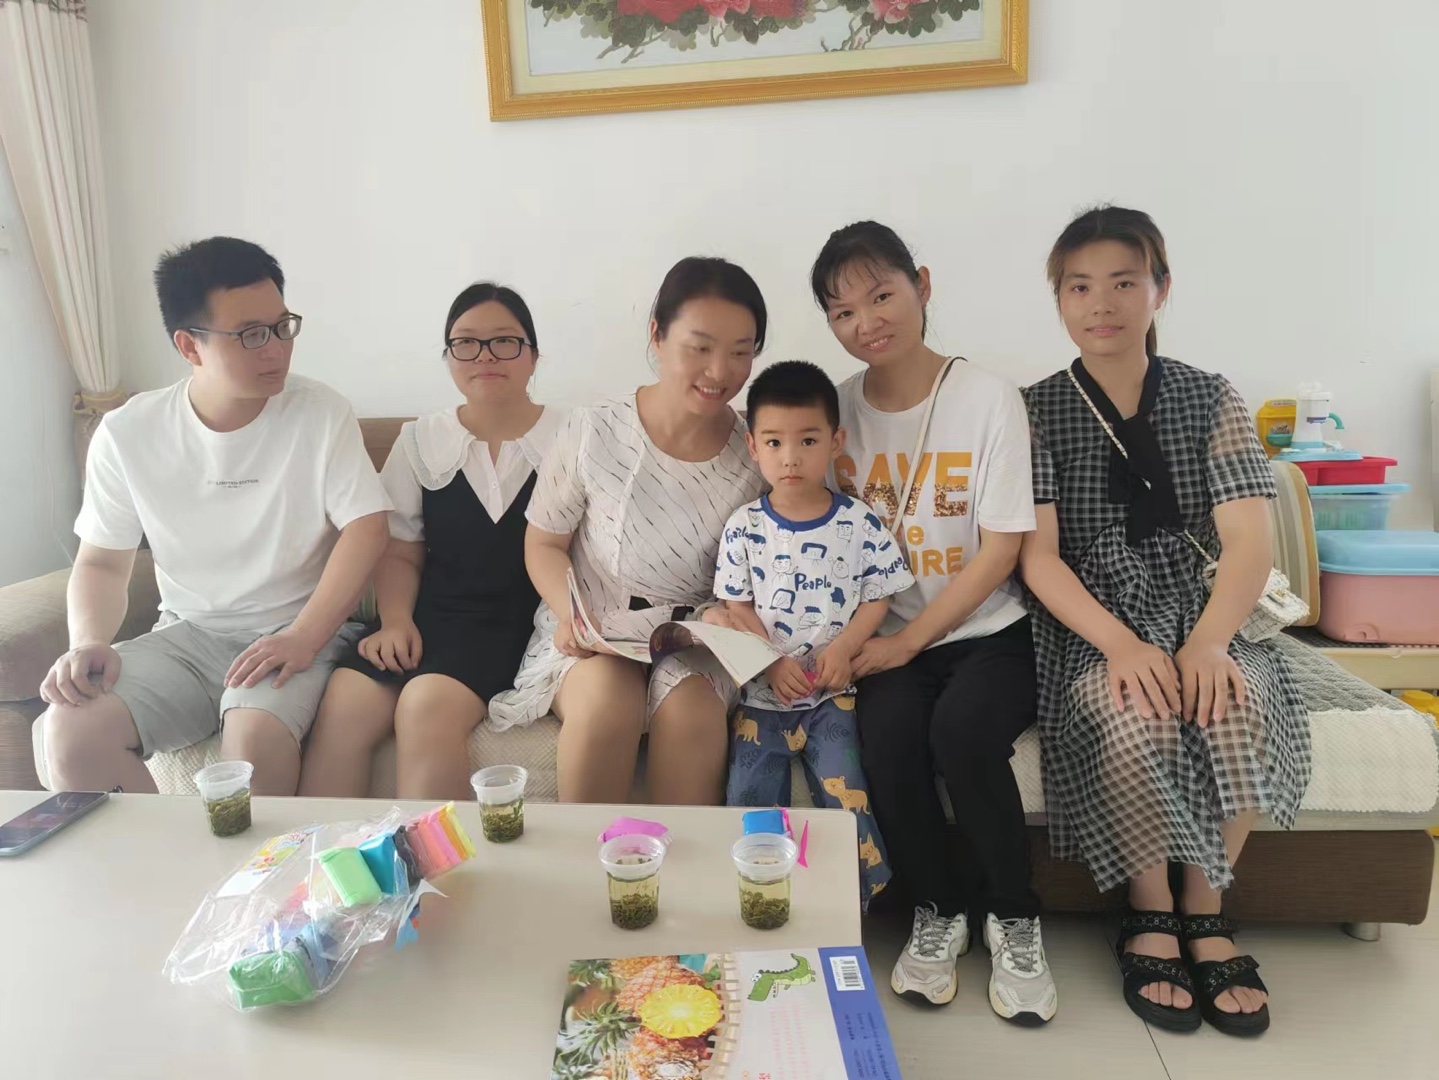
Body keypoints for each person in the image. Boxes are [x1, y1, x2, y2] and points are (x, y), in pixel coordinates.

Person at [1019, 206, 1311, 1037]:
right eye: (1078, 287)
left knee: (1234, 701)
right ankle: (1148, 911)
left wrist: (1210, 641)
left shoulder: (1210, 396)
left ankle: (1205, 910)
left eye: (1122, 282)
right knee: (1132, 710)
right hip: (1094, 617)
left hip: (1204, 604)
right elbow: (1038, 559)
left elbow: (1248, 538)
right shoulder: (1032, 409)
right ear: (1058, 299)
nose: (1100, 304)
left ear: (1160, 290)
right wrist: (1119, 645)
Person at [38, 238, 391, 796]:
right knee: (70, 730)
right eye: (251, 334)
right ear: (189, 345)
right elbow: (102, 563)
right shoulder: (129, 433)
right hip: (187, 636)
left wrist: (303, 636)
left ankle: (260, 860)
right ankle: (162, 856)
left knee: (254, 741)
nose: (276, 350)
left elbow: (367, 529)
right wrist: (87, 641)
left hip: (296, 630)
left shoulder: (319, 413)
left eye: (282, 327)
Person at [812, 221, 1057, 1024]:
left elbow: (1002, 549)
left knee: (962, 733)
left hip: (988, 631)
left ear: (920, 285)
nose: (866, 322)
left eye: (881, 295)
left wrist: (910, 642)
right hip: (886, 635)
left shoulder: (987, 399)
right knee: (884, 741)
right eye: (842, 312)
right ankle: (937, 907)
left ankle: (1014, 917)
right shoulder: (834, 412)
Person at [487, 257, 768, 805]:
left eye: (741, 352)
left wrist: (730, 616)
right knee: (608, 702)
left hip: (694, 638)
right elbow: (543, 542)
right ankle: (585, 861)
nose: (720, 371)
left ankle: (680, 861)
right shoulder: (595, 429)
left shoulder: (756, 453)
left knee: (691, 710)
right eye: (700, 347)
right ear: (657, 336)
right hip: (595, 628)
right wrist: (572, 615)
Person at [298, 284, 563, 800]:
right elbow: (399, 549)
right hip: (430, 620)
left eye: (504, 341)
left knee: (424, 705)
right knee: (345, 700)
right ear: (448, 358)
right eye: (466, 343)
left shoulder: (573, 434)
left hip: (521, 627)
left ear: (533, 355)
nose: (485, 356)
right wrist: (396, 621)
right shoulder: (421, 439)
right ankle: (326, 848)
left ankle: (435, 856)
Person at [707, 361, 911, 906]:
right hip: (763, 697)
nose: (790, 457)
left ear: (835, 442)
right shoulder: (744, 526)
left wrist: (844, 648)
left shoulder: (859, 522)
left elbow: (880, 594)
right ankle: (757, 897)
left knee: (847, 796)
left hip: (831, 697)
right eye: (774, 442)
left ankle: (855, 901)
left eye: (808, 440)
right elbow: (735, 603)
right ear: (753, 446)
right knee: (748, 798)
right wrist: (771, 662)